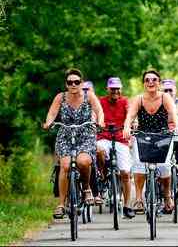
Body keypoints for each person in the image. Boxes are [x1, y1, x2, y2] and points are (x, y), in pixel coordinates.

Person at [43, 68, 105, 219]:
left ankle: (86, 188)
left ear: (81, 83)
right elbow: (52, 113)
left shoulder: (89, 96)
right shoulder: (60, 97)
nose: (73, 85)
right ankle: (61, 205)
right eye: (70, 82)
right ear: (66, 84)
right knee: (65, 166)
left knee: (83, 162)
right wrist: (49, 122)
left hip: (86, 134)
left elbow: (99, 110)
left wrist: (100, 121)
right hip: (65, 135)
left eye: (76, 82)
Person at [123, 70, 178, 215]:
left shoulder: (165, 97)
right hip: (143, 136)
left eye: (154, 79)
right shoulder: (139, 99)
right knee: (139, 164)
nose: (151, 82)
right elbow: (130, 116)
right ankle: (139, 199)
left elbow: (173, 112)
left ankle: (167, 196)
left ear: (159, 83)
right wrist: (126, 127)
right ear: (144, 83)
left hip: (163, 136)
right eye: (147, 80)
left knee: (165, 166)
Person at [96, 76, 135, 219]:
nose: (115, 91)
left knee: (125, 173)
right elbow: (95, 114)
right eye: (112, 88)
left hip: (120, 139)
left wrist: (131, 124)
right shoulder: (101, 101)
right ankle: (101, 173)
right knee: (98, 150)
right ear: (107, 89)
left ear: (121, 89)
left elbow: (130, 115)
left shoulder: (125, 101)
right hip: (103, 137)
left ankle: (127, 205)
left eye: (117, 88)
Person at [161, 79, 178, 207]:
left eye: (170, 90)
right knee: (159, 165)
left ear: (175, 91)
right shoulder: (158, 102)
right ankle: (159, 191)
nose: (168, 92)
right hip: (163, 138)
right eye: (165, 90)